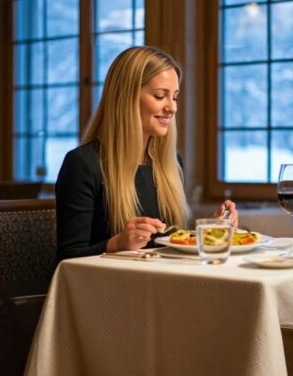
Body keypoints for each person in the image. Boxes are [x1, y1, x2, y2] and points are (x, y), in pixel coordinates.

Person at [55, 46, 238, 261]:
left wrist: (211, 229)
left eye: (175, 97)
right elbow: (67, 259)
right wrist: (117, 243)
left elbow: (169, 243)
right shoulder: (82, 164)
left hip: (163, 283)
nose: (172, 108)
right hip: (112, 289)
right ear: (126, 98)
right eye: (160, 96)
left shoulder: (171, 164)